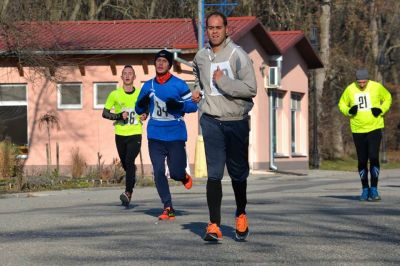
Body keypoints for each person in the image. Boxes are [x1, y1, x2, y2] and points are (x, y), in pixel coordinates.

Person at [191, 11, 257, 241]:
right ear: (206, 30)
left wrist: (224, 82)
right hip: (211, 121)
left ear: (227, 29)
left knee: (238, 175)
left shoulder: (239, 55)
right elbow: (198, 79)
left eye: (219, 27)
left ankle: (240, 214)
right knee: (214, 174)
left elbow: (251, 89)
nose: (215, 31)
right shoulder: (200, 56)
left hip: (236, 122)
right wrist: (196, 92)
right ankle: (213, 225)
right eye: (210, 28)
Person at [135, 50, 197, 220]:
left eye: (164, 61)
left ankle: (183, 176)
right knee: (159, 171)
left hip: (175, 135)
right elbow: (139, 108)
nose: (160, 64)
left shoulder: (179, 84)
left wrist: (179, 106)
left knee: (176, 172)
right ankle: (167, 206)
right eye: (158, 61)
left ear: (170, 65)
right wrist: (141, 105)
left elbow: (193, 106)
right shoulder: (148, 86)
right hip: (155, 135)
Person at [338, 69, 392, 201]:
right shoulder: (350, 89)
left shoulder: (376, 87)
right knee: (362, 160)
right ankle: (365, 189)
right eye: (359, 82)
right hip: (358, 129)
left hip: (374, 127)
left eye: (364, 82)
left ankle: (374, 189)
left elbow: (388, 98)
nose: (362, 84)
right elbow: (341, 104)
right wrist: (349, 111)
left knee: (373, 157)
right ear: (356, 80)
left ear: (367, 79)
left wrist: (381, 109)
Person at [102, 65, 147, 207]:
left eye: (130, 74)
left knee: (129, 160)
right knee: (126, 164)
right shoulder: (115, 94)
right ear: (121, 77)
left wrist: (145, 114)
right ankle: (131, 176)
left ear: (134, 77)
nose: (127, 76)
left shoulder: (140, 94)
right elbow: (105, 113)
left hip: (135, 133)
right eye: (125, 74)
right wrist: (119, 116)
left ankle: (128, 193)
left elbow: (147, 108)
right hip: (120, 134)